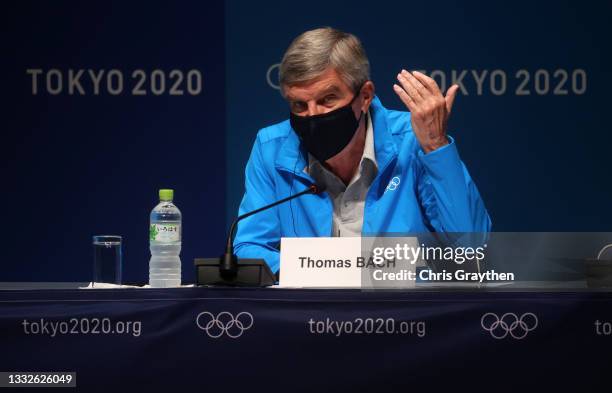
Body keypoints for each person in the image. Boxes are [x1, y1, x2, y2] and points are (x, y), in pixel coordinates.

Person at [233, 27, 491, 273]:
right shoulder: (271, 148)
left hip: (406, 314)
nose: (312, 116)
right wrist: (324, 272)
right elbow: (249, 248)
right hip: (311, 315)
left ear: (365, 96)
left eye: (327, 100)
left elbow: (472, 252)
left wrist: (436, 146)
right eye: (300, 105)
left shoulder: (415, 141)